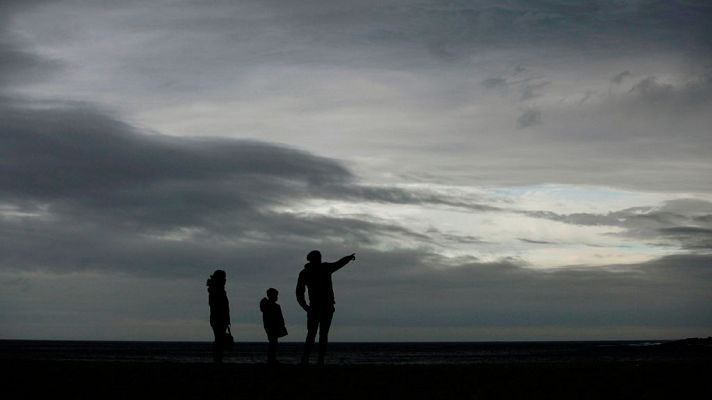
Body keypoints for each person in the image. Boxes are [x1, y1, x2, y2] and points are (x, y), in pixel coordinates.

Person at [296, 250, 356, 365]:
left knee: (319, 334)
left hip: (323, 307)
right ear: (313, 259)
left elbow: (338, 264)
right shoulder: (311, 271)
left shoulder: (316, 270)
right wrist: (305, 306)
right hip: (318, 307)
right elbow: (299, 292)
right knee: (315, 334)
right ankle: (310, 360)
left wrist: (348, 258)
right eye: (318, 257)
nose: (319, 259)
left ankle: (316, 360)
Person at [207, 269, 231, 364]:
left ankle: (218, 359)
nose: (225, 280)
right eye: (224, 278)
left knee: (219, 339)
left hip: (217, 318)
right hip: (218, 318)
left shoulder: (215, 290)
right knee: (219, 339)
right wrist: (225, 318)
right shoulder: (217, 291)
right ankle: (217, 359)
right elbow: (219, 306)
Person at [260, 288, 288, 365]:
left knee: (273, 343)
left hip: (271, 327)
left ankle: (271, 358)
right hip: (272, 327)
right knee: (273, 343)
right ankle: (271, 359)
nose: (277, 297)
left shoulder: (269, 306)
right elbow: (277, 318)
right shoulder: (271, 307)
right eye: (276, 295)